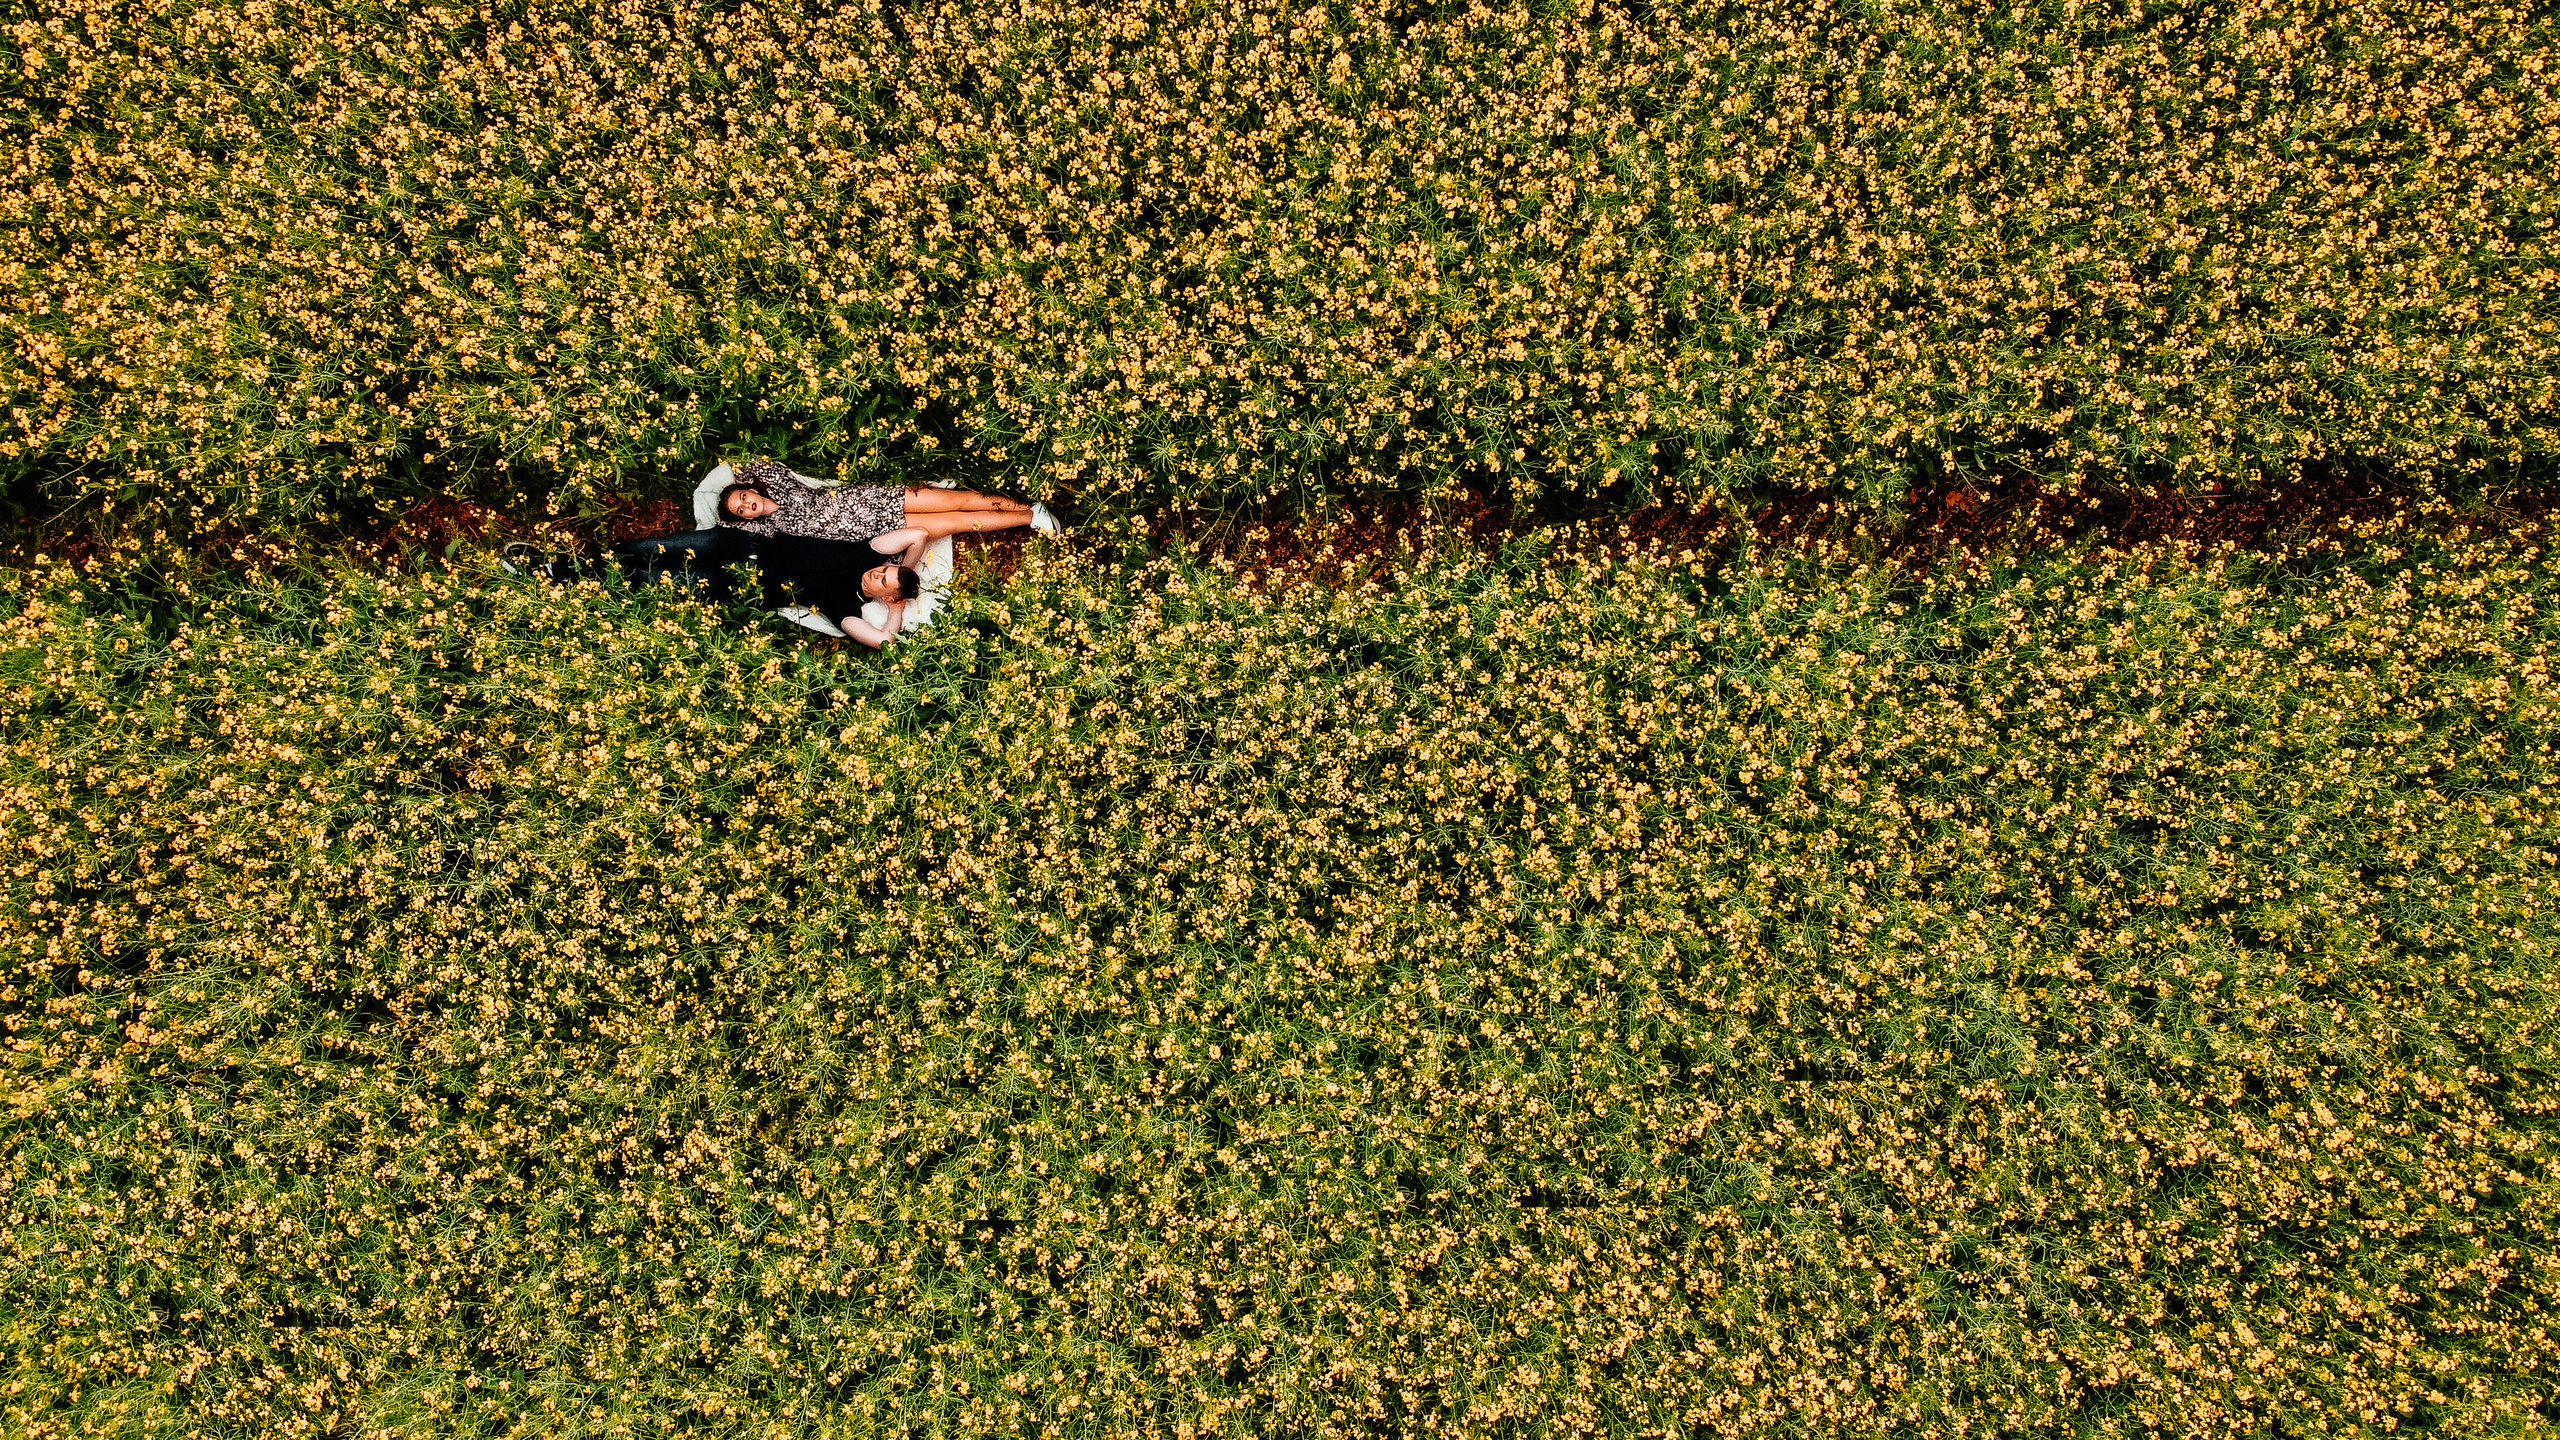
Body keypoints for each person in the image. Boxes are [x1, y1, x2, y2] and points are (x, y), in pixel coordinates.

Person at [715, 458, 1054, 550]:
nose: (746, 506)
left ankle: (1024, 504)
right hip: (880, 527)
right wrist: (730, 516)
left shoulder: (779, 483)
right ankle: (1030, 517)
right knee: (957, 523)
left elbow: (743, 462)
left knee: (962, 500)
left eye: (744, 497)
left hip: (875, 498)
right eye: (740, 510)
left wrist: (729, 479)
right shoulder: (774, 528)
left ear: (750, 489)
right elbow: (723, 527)